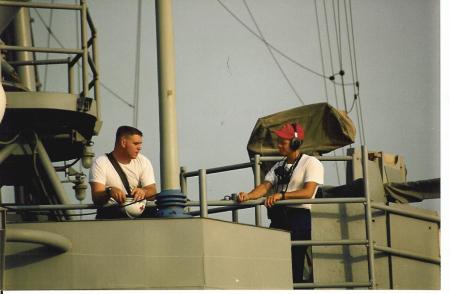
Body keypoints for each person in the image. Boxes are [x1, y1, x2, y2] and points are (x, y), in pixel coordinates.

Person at [238, 122, 324, 283]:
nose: (278, 145)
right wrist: (248, 196)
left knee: (295, 264)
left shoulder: (311, 163)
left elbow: (308, 192)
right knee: (272, 260)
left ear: (295, 143)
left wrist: (281, 196)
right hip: (279, 218)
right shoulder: (280, 165)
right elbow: (264, 186)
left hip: (299, 217)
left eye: (282, 142)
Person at [89, 125, 157, 219]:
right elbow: (96, 197)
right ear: (123, 143)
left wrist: (143, 191)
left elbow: (152, 190)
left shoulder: (143, 161)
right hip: (112, 216)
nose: (139, 147)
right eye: (136, 143)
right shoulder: (101, 163)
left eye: (140, 144)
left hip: (139, 216)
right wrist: (109, 192)